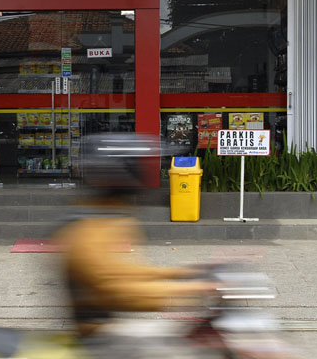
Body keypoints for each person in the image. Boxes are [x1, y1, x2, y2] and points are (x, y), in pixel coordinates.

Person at [54, 133, 217, 339]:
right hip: (98, 336)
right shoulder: (86, 231)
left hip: (106, 327)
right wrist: (189, 290)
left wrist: (180, 273)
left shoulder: (104, 216)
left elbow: (121, 270)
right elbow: (118, 291)